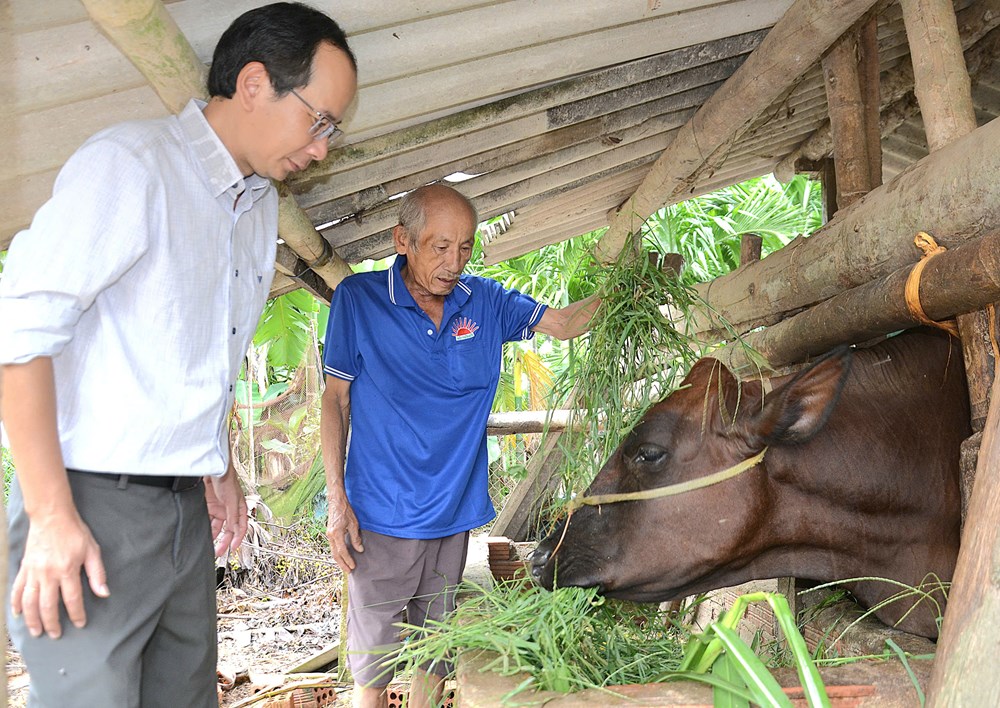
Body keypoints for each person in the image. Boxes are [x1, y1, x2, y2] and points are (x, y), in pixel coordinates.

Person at [0, 4, 357, 706]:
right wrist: (50, 516)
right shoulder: (131, 167)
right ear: (255, 83)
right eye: (321, 121)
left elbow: (201, 354)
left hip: (184, 514)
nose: (322, 148)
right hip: (90, 505)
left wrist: (217, 464)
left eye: (333, 131)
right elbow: (17, 336)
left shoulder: (255, 208)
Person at [321, 184, 600, 708]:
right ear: (402, 240)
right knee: (373, 669)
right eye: (440, 246)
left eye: (465, 247)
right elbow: (335, 401)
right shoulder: (359, 301)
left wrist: (631, 287)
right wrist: (337, 502)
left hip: (452, 517)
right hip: (379, 516)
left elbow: (562, 324)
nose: (453, 262)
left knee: (437, 652)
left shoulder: (487, 303)